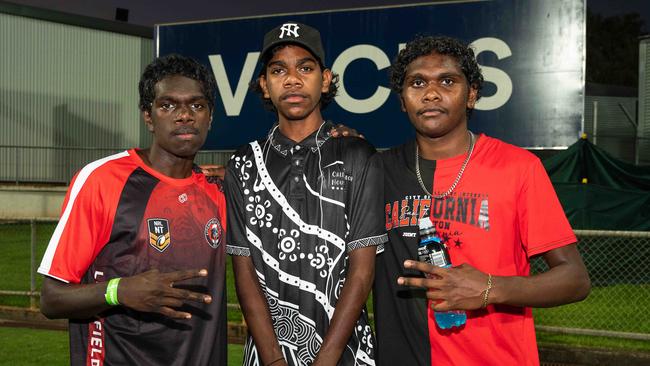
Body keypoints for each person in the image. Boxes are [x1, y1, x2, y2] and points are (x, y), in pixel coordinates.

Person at [373, 35, 591, 366]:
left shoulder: (518, 167)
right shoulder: (377, 170)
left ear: (472, 94)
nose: (431, 93)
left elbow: (575, 279)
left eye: (447, 81)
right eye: (417, 83)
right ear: (403, 99)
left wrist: (492, 288)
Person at [37, 54, 227, 366]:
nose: (184, 115)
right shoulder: (102, 180)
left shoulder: (218, 193)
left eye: (197, 105)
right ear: (148, 117)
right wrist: (118, 291)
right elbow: (52, 298)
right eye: (168, 105)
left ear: (210, 116)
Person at [224, 22, 387, 366]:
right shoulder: (242, 163)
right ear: (264, 86)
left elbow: (361, 272)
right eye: (278, 69)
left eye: (306, 68)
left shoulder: (358, 155)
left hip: (346, 354)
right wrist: (272, 359)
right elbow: (244, 269)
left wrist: (326, 359)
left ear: (325, 80)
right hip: (266, 355)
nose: (292, 79)